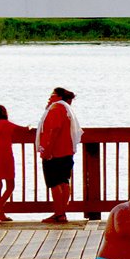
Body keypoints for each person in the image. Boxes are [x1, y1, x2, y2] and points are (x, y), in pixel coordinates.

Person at [0, 105, 35, 223]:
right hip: (6, 157)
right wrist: (30, 126)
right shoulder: (7, 124)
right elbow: (25, 129)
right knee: (10, 185)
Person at [37, 87, 81, 223]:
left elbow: (54, 130)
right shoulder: (66, 110)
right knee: (64, 182)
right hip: (67, 151)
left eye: (51, 96)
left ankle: (59, 213)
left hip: (55, 153)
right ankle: (62, 213)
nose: (49, 98)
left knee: (55, 183)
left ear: (56, 96)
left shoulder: (56, 109)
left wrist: (48, 150)